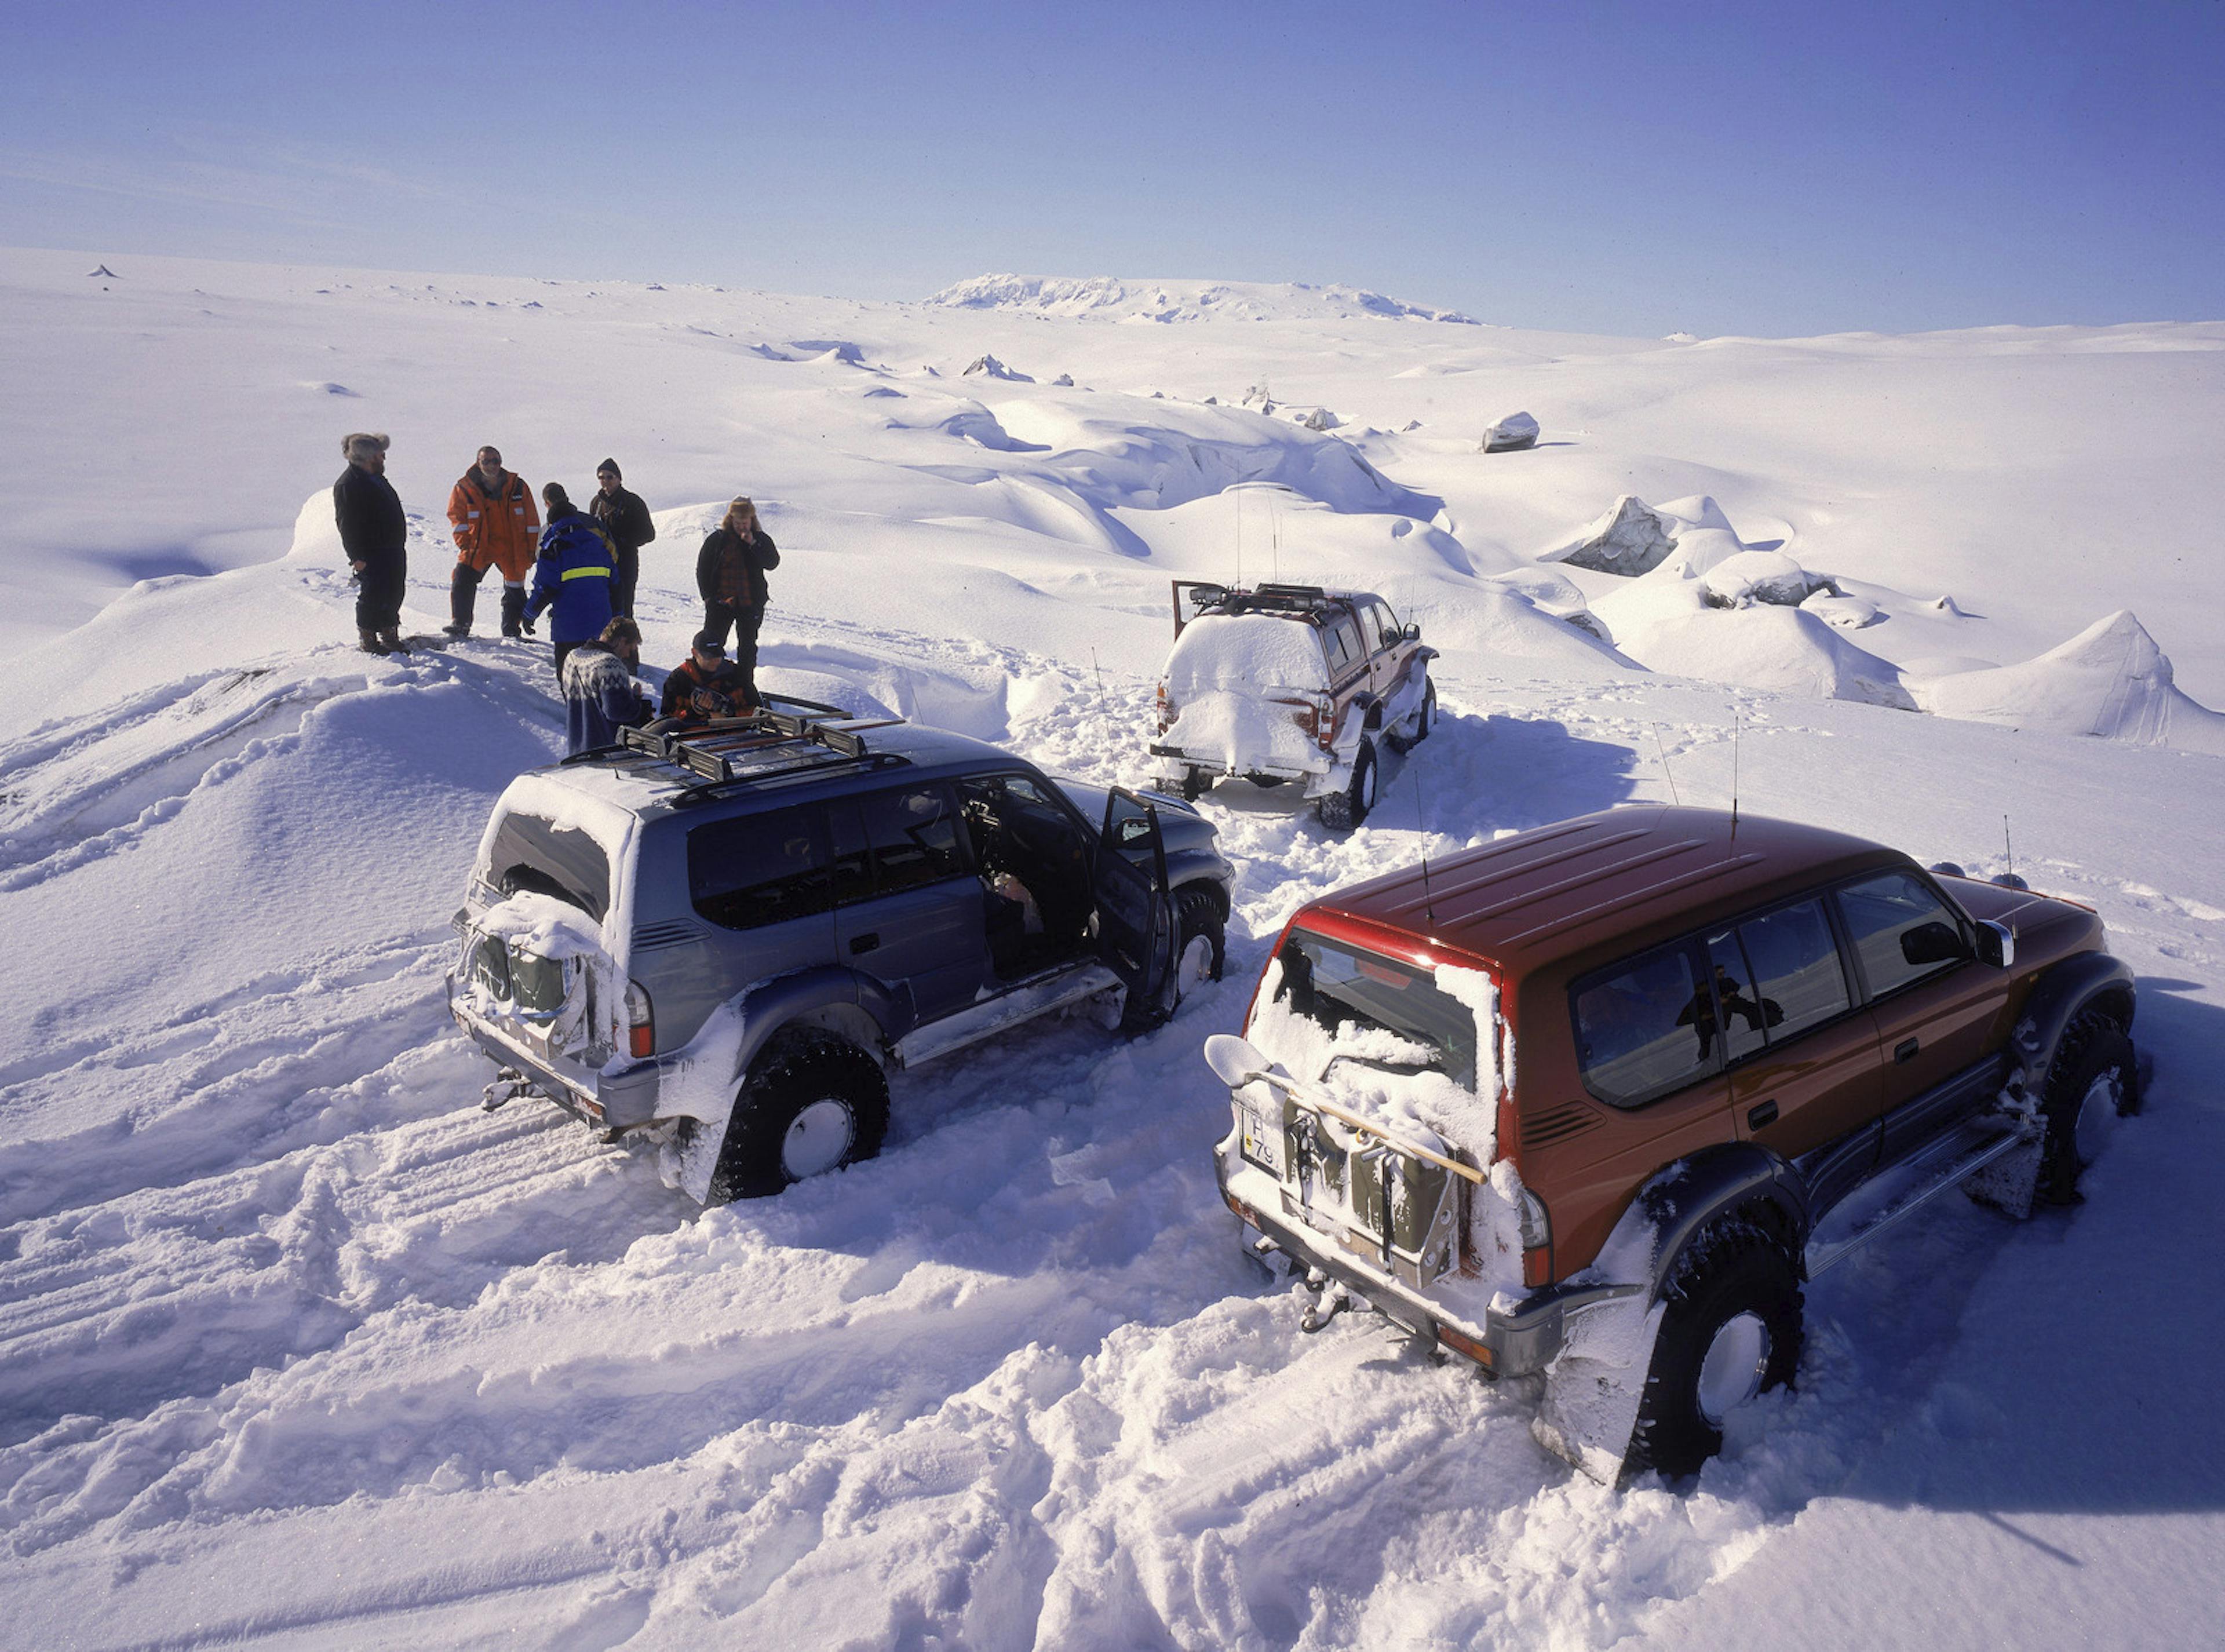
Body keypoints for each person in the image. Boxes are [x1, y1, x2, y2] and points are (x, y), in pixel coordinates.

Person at [444, 444, 539, 639]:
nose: (491, 465)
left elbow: (532, 521)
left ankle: (511, 631)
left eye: (495, 460)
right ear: (478, 463)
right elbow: (456, 516)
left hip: (512, 548)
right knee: (463, 579)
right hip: (480, 546)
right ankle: (461, 624)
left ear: (501, 462)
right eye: (486, 461)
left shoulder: (518, 486)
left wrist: (532, 551)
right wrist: (464, 542)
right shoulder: (464, 488)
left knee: (515, 589)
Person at [524, 483, 619, 673]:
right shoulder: (597, 542)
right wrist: (619, 617)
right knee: (602, 682)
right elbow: (616, 584)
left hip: (569, 630)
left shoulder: (553, 546)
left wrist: (528, 615)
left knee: (572, 684)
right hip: (602, 628)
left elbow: (545, 588)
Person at [694, 497, 779, 702]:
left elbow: (772, 563)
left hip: (750, 604)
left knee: (748, 648)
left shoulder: (760, 539)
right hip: (721, 604)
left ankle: (745, 688)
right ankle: (707, 685)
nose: (741, 525)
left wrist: (754, 545)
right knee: (713, 645)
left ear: (752, 520)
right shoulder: (717, 540)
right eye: (737, 521)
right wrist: (707, 597)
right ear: (730, 519)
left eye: (745, 521)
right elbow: (703, 569)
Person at [332, 432, 407, 654]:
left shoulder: (375, 477)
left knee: (393, 591)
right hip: (371, 551)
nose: (384, 458)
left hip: (392, 547)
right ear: (368, 457)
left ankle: (389, 633)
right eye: (380, 454)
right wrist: (356, 557)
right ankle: (368, 637)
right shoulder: (348, 485)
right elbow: (347, 524)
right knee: (372, 594)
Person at [559, 616, 651, 755]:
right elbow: (617, 712)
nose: (628, 655)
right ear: (622, 641)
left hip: (577, 750)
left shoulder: (572, 657)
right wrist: (636, 700)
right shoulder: (611, 664)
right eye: (630, 648)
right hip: (606, 752)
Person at [588, 458, 656, 621]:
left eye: (609, 477)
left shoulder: (633, 502)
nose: (605, 481)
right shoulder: (596, 503)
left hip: (625, 565)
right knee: (602, 609)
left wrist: (622, 540)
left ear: (619, 478)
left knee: (623, 612)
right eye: (601, 477)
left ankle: (628, 646)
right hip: (601, 565)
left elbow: (649, 534)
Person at [659, 630, 753, 725]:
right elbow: (666, 721)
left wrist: (729, 715)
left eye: (718, 655)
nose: (715, 661)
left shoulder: (736, 673)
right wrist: (696, 712)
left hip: (738, 735)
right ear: (695, 653)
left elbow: (758, 712)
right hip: (693, 737)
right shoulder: (679, 679)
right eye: (709, 657)